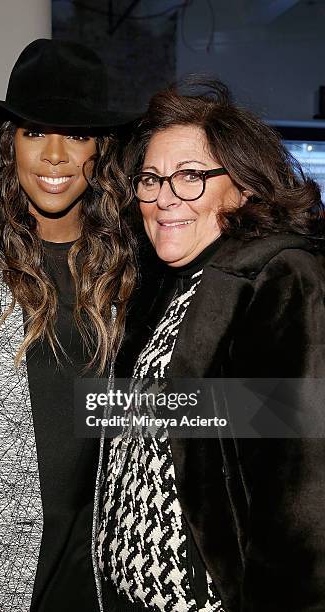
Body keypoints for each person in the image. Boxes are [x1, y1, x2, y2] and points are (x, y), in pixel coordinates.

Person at [0, 39, 137, 612]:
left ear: (103, 150)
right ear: (7, 143)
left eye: (78, 133)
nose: (56, 155)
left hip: (98, 571)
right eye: (35, 132)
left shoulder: (137, 273)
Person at [95, 79, 325, 612]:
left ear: (244, 186)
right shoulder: (169, 284)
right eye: (151, 179)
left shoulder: (280, 278)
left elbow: (302, 492)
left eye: (191, 177)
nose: (164, 196)